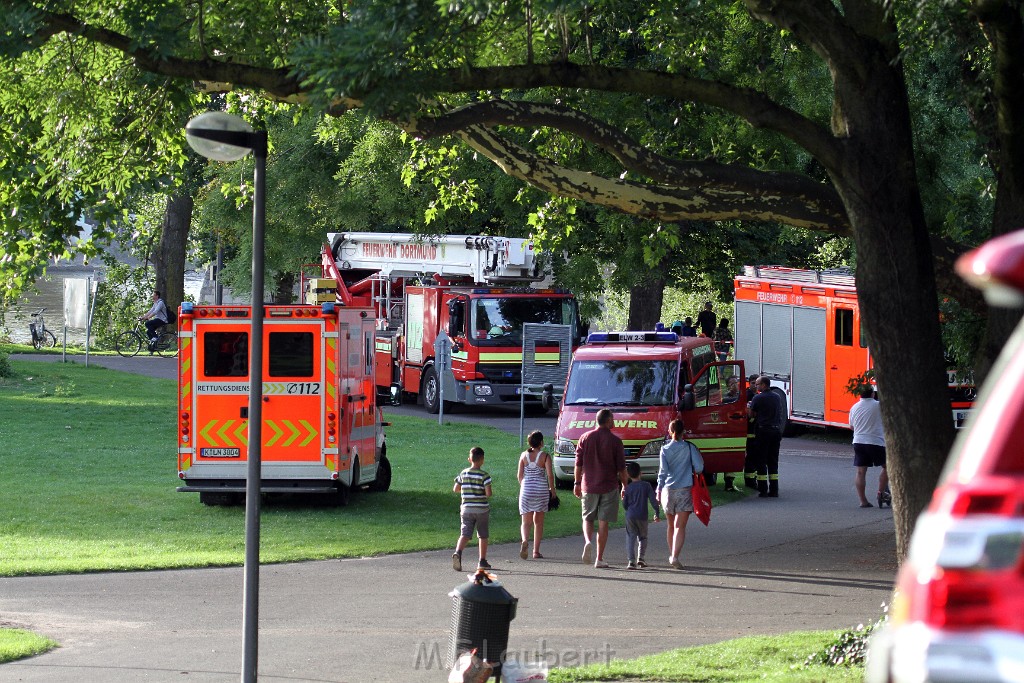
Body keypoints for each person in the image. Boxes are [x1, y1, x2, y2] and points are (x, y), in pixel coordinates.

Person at [574, 408, 628, 569]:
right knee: (603, 523)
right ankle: (599, 558)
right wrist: (625, 486)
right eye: (613, 419)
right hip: (609, 486)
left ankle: (588, 541)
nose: (614, 421)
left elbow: (578, 464)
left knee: (587, 518)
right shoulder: (615, 441)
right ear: (608, 420)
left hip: (588, 485)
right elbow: (622, 469)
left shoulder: (585, 438)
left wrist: (577, 483)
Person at [656, 418, 704, 569]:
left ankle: (672, 554)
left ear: (670, 432)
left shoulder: (664, 449)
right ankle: (675, 556)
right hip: (684, 490)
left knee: (671, 526)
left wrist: (658, 488)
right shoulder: (689, 448)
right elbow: (699, 468)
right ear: (684, 432)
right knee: (680, 527)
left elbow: (662, 472)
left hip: (668, 491)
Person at [848, 385, 890, 508]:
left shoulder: (854, 407)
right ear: (873, 394)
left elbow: (851, 426)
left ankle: (863, 501)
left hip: (858, 441)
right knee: (888, 467)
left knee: (861, 472)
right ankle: (881, 493)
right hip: (875, 442)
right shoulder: (878, 405)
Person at [453, 446, 493, 571]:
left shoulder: (463, 473)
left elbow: (455, 489)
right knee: (482, 535)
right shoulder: (484, 475)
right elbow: (488, 493)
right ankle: (482, 560)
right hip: (482, 510)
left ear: (469, 459)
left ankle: (458, 552)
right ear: (482, 460)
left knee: (465, 533)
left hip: (466, 509)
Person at [518, 431, 556, 559]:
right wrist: (553, 491)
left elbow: (519, 476)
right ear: (541, 442)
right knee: (538, 522)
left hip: (526, 489)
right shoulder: (545, 456)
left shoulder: (523, 455)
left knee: (526, 522)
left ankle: (524, 540)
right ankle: (536, 551)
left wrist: (525, 486)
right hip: (541, 490)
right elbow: (550, 475)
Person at [747, 376, 785, 497]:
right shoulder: (777, 397)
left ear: (764, 385)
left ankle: (763, 489)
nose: (756, 386)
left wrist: (749, 408)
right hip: (776, 431)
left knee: (761, 460)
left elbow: (751, 414)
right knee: (773, 461)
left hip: (763, 432)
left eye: (758, 384)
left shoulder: (758, 397)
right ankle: (774, 490)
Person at [622, 461, 660, 570]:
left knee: (631, 537)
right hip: (642, 516)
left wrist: (628, 510)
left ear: (628, 475)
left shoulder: (628, 488)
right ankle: (641, 558)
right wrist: (656, 512)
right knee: (643, 537)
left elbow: (625, 503)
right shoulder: (646, 486)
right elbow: (653, 501)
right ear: (641, 473)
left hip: (630, 515)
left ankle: (631, 561)